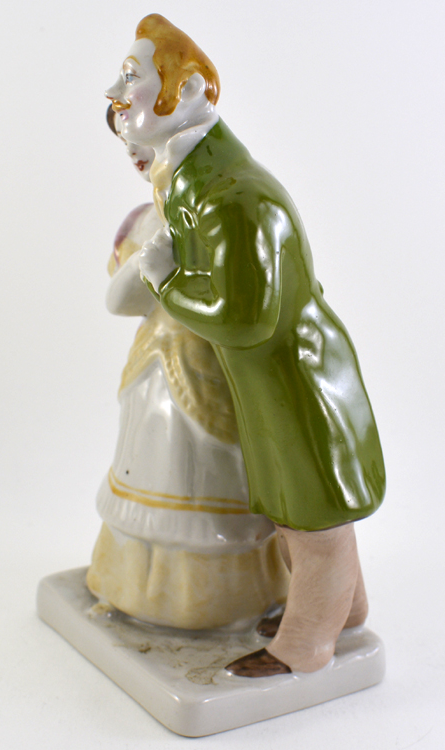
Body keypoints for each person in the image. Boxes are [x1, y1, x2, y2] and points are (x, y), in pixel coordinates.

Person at [105, 14, 386, 675]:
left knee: (311, 525)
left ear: (189, 91)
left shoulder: (230, 197)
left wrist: (164, 280)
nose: (115, 92)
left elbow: (243, 317)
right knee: (300, 515)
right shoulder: (195, 184)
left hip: (295, 378)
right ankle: (344, 613)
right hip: (270, 379)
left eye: (131, 76)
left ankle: (305, 646)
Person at [85, 107, 288, 631]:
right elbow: (118, 302)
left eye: (146, 141)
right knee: (152, 461)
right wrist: (148, 261)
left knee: (211, 467)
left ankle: (228, 600)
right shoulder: (144, 221)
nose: (136, 153)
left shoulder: (223, 211)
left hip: (215, 365)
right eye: (128, 144)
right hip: (154, 364)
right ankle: (133, 589)